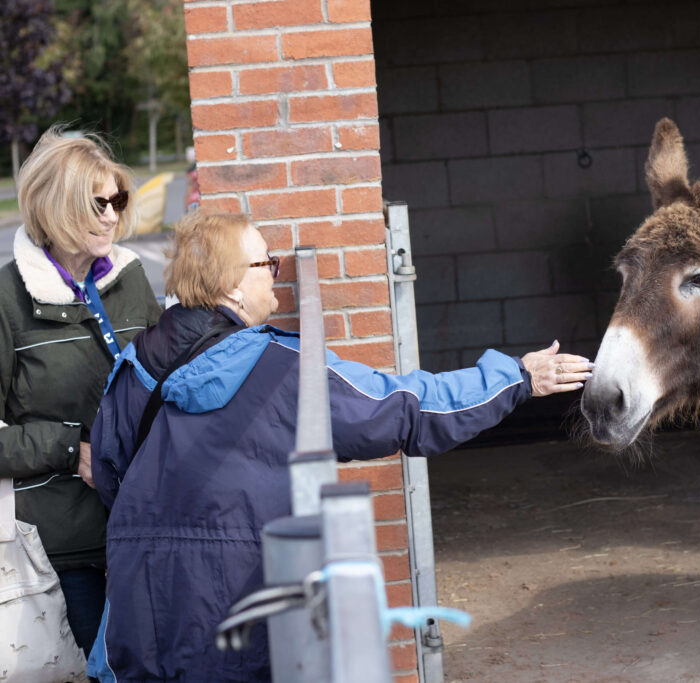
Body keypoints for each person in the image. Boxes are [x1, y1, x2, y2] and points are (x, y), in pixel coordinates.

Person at [90, 211, 592, 681]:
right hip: (239, 599)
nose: (275, 272)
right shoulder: (285, 368)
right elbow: (407, 409)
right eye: (267, 262)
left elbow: (111, 472)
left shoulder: (135, 363)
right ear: (232, 286)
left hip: (142, 605)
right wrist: (517, 378)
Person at [0, 126, 163, 655]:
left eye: (118, 199)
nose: (113, 214)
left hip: (145, 525)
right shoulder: (7, 298)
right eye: (99, 202)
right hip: (60, 548)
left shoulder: (131, 277)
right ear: (58, 204)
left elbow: (165, 376)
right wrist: (72, 451)